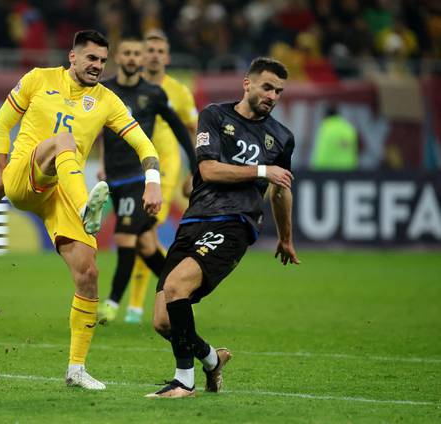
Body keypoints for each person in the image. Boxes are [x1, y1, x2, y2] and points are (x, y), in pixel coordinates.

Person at [0, 30, 162, 391]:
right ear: (73, 57)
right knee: (64, 142)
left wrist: (154, 180)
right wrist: (0, 177)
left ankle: (76, 369)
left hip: (60, 193)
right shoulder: (37, 79)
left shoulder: (107, 101)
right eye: (92, 59)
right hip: (26, 176)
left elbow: (142, 141)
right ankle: (87, 207)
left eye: (102, 60)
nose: (98, 66)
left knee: (88, 274)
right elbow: (2, 124)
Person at [146, 57, 300, 398]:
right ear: (247, 83)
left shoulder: (282, 137)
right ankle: (213, 359)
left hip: (235, 224)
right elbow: (211, 170)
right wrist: (263, 171)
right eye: (267, 87)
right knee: (162, 321)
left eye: (279, 91)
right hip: (194, 220)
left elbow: (281, 189)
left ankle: (183, 381)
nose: (273, 96)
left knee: (175, 286)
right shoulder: (214, 116)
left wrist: (286, 238)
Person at [97, 35, 197, 323]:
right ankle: (181, 291)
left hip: (139, 177)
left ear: (141, 60)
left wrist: (194, 167)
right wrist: (101, 165)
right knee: (146, 246)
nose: (131, 58)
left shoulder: (153, 93)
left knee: (125, 237)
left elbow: (180, 129)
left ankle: (113, 303)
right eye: (126, 52)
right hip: (114, 177)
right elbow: (101, 133)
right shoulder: (105, 91)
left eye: (135, 54)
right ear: (117, 56)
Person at [310, 105, 358, 170]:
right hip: (348, 171)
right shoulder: (349, 128)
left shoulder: (326, 128)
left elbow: (321, 152)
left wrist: (316, 170)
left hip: (329, 171)